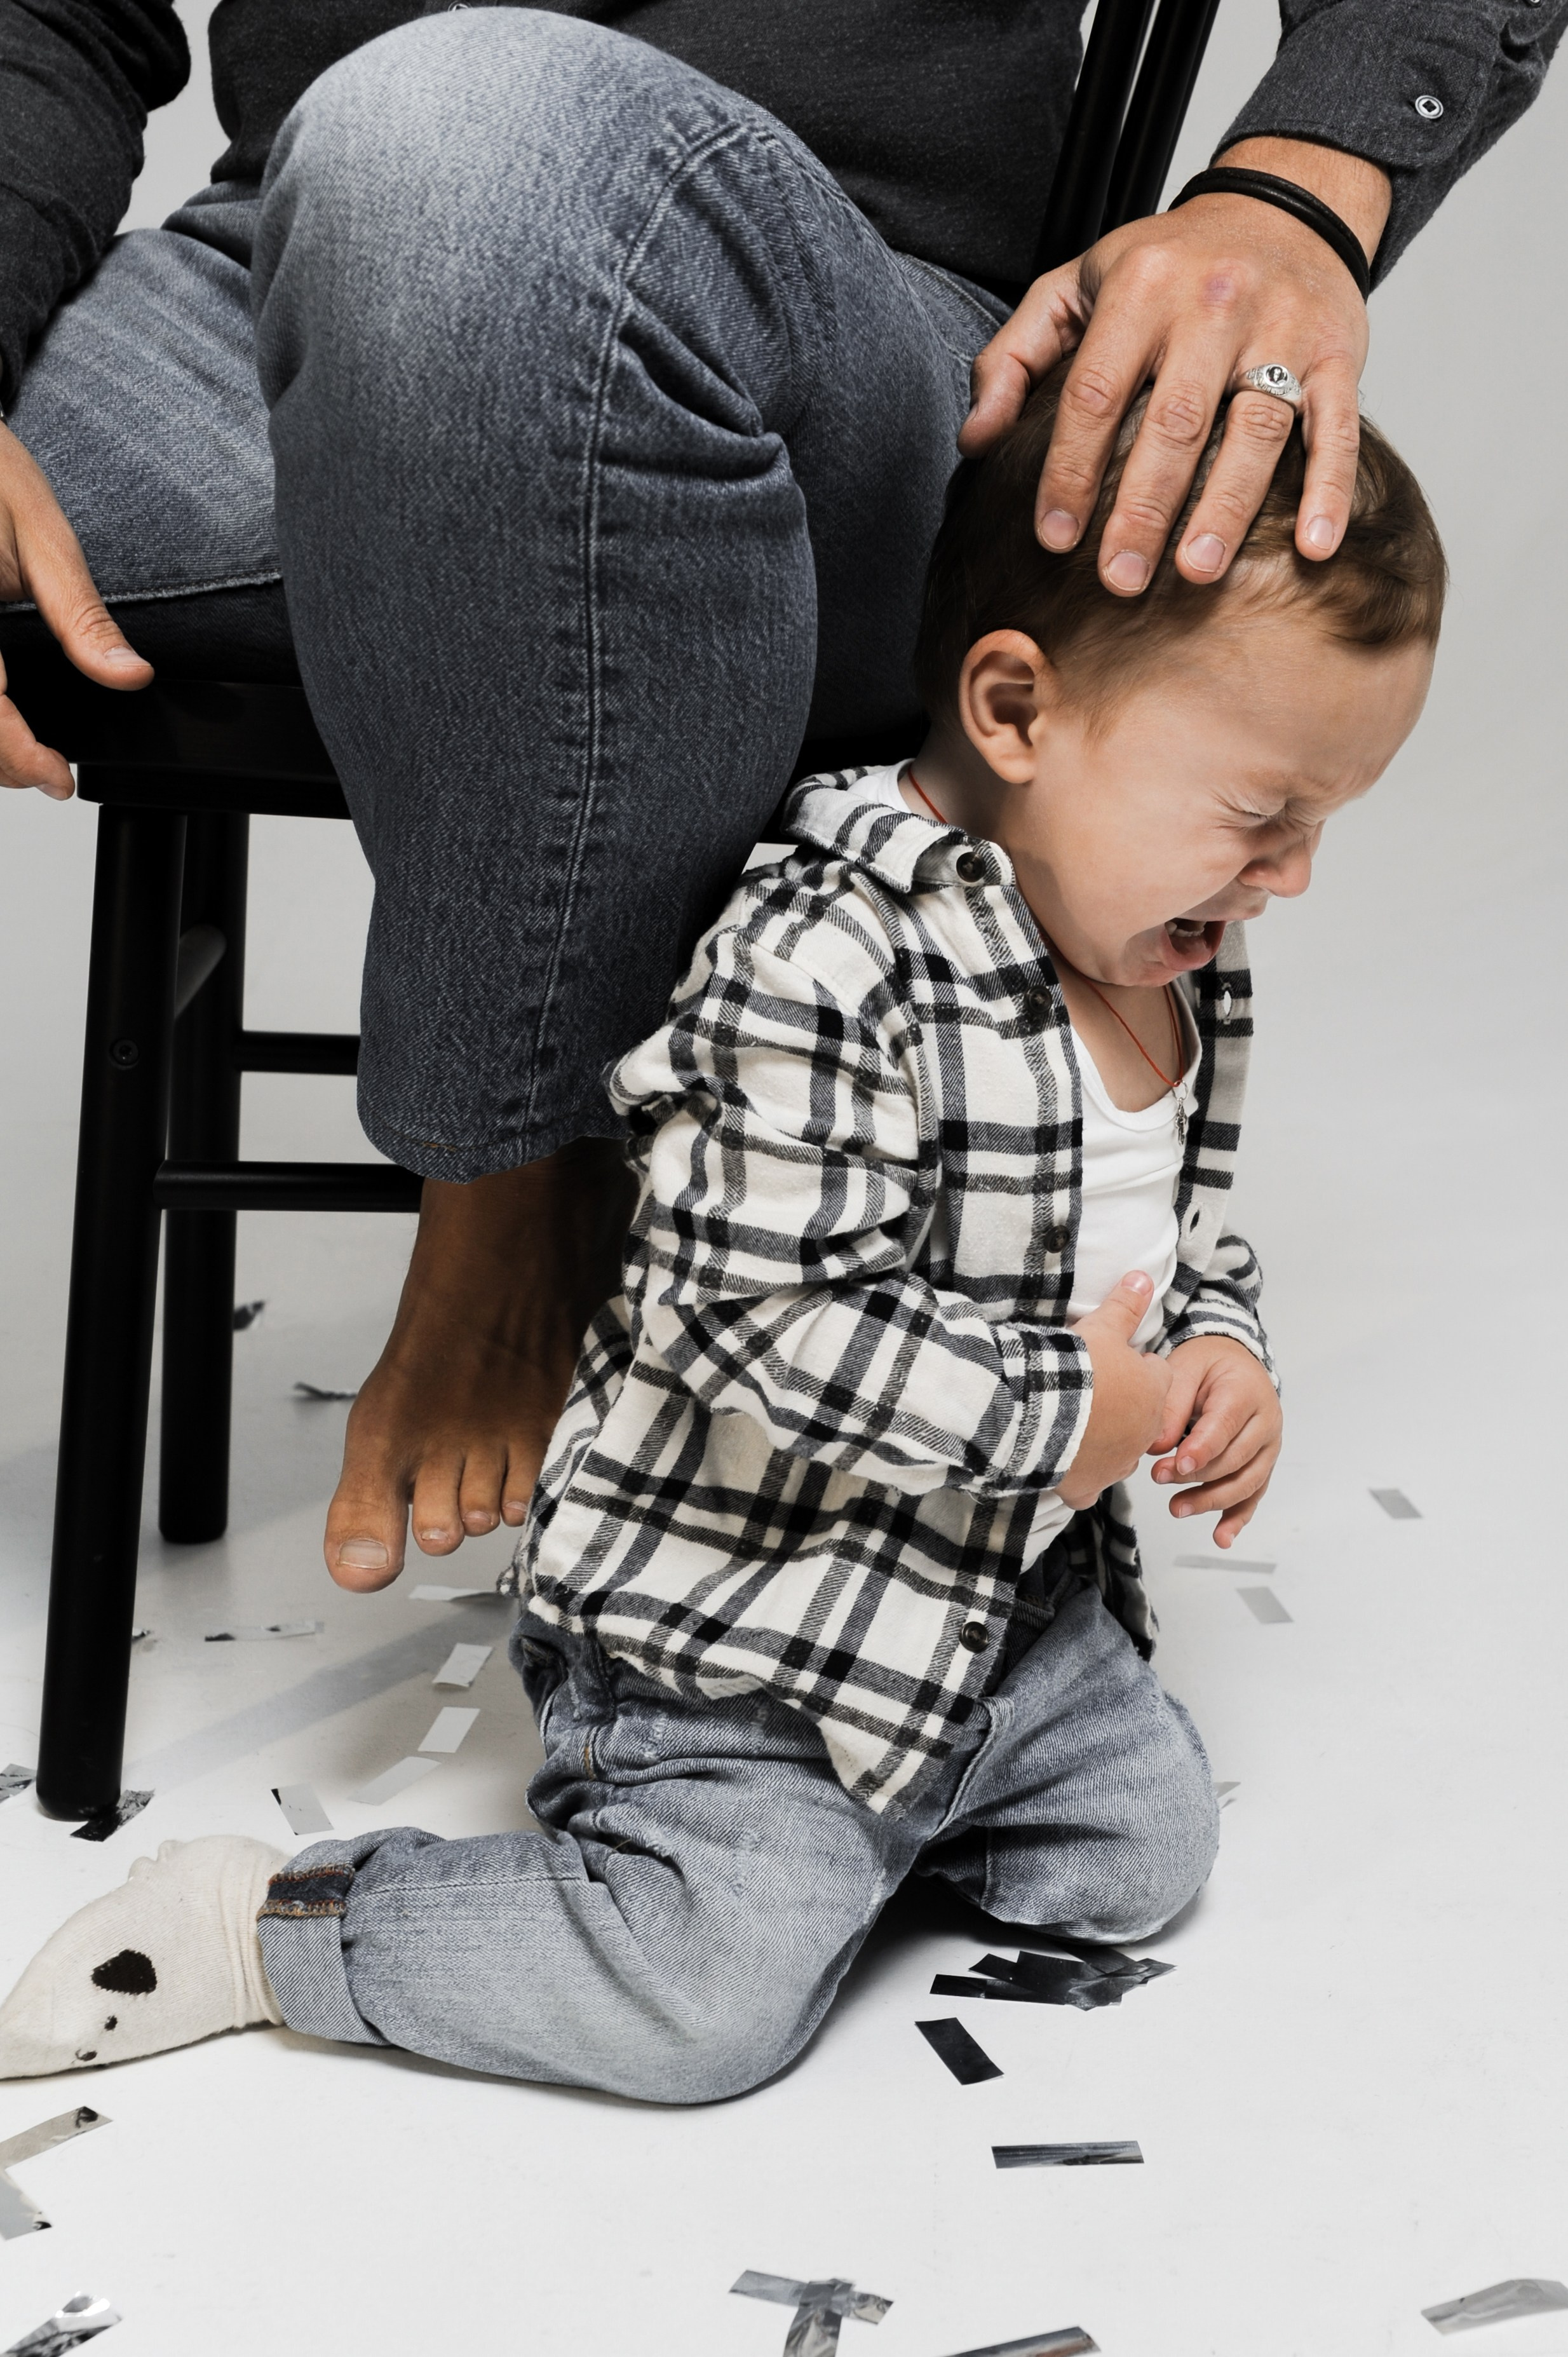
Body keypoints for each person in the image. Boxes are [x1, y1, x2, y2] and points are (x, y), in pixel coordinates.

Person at [0, 364, 1444, 2091]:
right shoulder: (824, 956)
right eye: (1257, 815)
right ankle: (284, 1925)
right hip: (748, 1631)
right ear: (1013, 708)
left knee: (1141, 1863)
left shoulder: (1174, 947)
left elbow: (1188, 1232)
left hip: (1000, 1607)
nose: (1286, 878)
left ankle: (881, 1820)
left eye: (1323, 828)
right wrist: (1067, 1411)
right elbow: (749, 1323)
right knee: (705, 2017)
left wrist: (1219, 1358)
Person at [0, 1, 1553, 1592]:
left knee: (457, 143)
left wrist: (1301, 185)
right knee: (426, 179)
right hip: (268, 282)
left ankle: (528, 1156)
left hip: (860, 329)